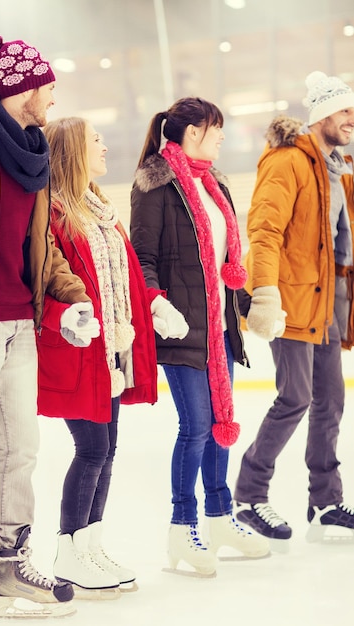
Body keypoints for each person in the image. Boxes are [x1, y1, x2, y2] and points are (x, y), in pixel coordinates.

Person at [0, 34, 101, 620]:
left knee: (21, 449)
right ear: (23, 88)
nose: (53, 100)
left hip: (18, 322)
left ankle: (8, 564)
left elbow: (43, 247)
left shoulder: (32, 152)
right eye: (49, 88)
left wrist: (73, 298)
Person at [130, 96, 270, 577]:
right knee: (194, 428)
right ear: (192, 132)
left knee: (219, 428)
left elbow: (225, 264)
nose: (223, 137)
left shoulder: (216, 186)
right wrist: (154, 302)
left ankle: (220, 516)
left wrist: (252, 308)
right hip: (182, 327)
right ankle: (181, 526)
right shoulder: (156, 184)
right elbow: (143, 256)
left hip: (221, 328)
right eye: (216, 129)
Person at [36, 116, 157, 598]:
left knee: (105, 451)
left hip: (111, 352)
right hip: (78, 350)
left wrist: (152, 304)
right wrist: (69, 316)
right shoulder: (57, 213)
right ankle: (68, 553)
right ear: (71, 153)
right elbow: (47, 280)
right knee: (91, 450)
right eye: (96, 140)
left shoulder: (102, 211)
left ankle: (90, 543)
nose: (106, 147)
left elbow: (125, 279)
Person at [234, 71, 354, 547]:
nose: (352, 118)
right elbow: (264, 231)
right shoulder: (286, 162)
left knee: (331, 400)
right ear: (322, 114)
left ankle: (324, 500)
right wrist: (265, 294)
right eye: (345, 110)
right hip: (291, 298)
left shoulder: (338, 166)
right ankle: (248, 494)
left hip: (326, 299)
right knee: (296, 398)